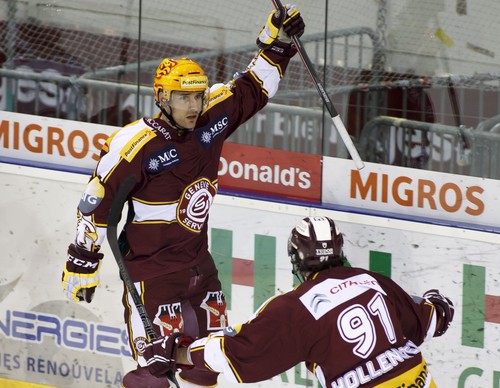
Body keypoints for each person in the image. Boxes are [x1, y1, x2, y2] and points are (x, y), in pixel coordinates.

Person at [60, 5, 305, 388]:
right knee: (159, 374)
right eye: (183, 97)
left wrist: (278, 40)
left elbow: (254, 88)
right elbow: (96, 202)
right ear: (162, 97)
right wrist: (82, 261)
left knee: (210, 370)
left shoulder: (211, 118)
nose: (194, 105)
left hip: (199, 269)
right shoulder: (134, 145)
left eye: (198, 96)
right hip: (152, 278)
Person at [143, 216, 455, 387]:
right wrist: (437, 303)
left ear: (298, 259)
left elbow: (237, 352)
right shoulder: (372, 281)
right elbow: (431, 321)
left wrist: (177, 353)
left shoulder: (296, 307)